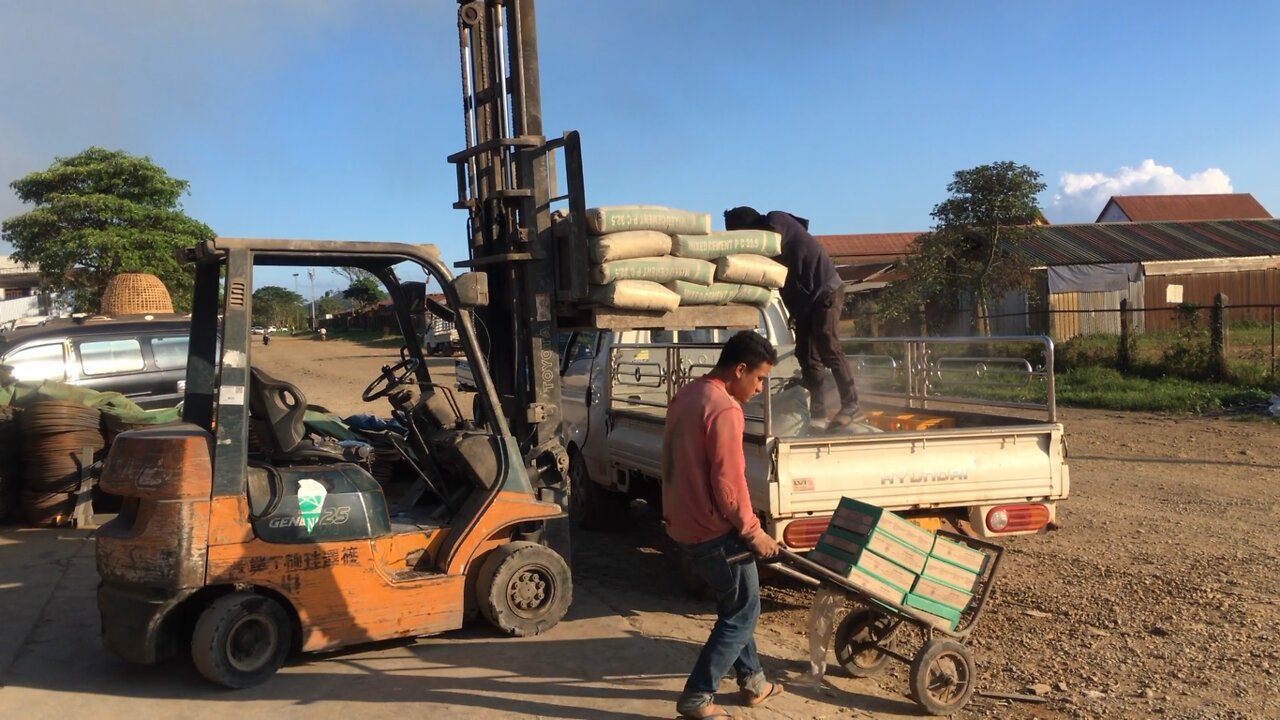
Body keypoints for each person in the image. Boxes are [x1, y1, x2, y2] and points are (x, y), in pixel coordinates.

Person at [662, 330, 784, 720]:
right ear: (740, 369)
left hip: (683, 523)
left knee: (734, 606)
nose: (760, 387)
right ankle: (698, 696)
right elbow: (729, 484)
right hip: (715, 531)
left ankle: (753, 683)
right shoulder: (725, 408)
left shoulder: (688, 395)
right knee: (743, 613)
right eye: (760, 378)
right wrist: (753, 532)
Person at [724, 206, 861, 430]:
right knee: (806, 355)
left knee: (828, 345)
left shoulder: (776, 220)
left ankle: (851, 403)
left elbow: (774, 238)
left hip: (825, 290)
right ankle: (818, 410)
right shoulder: (767, 253)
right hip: (805, 304)